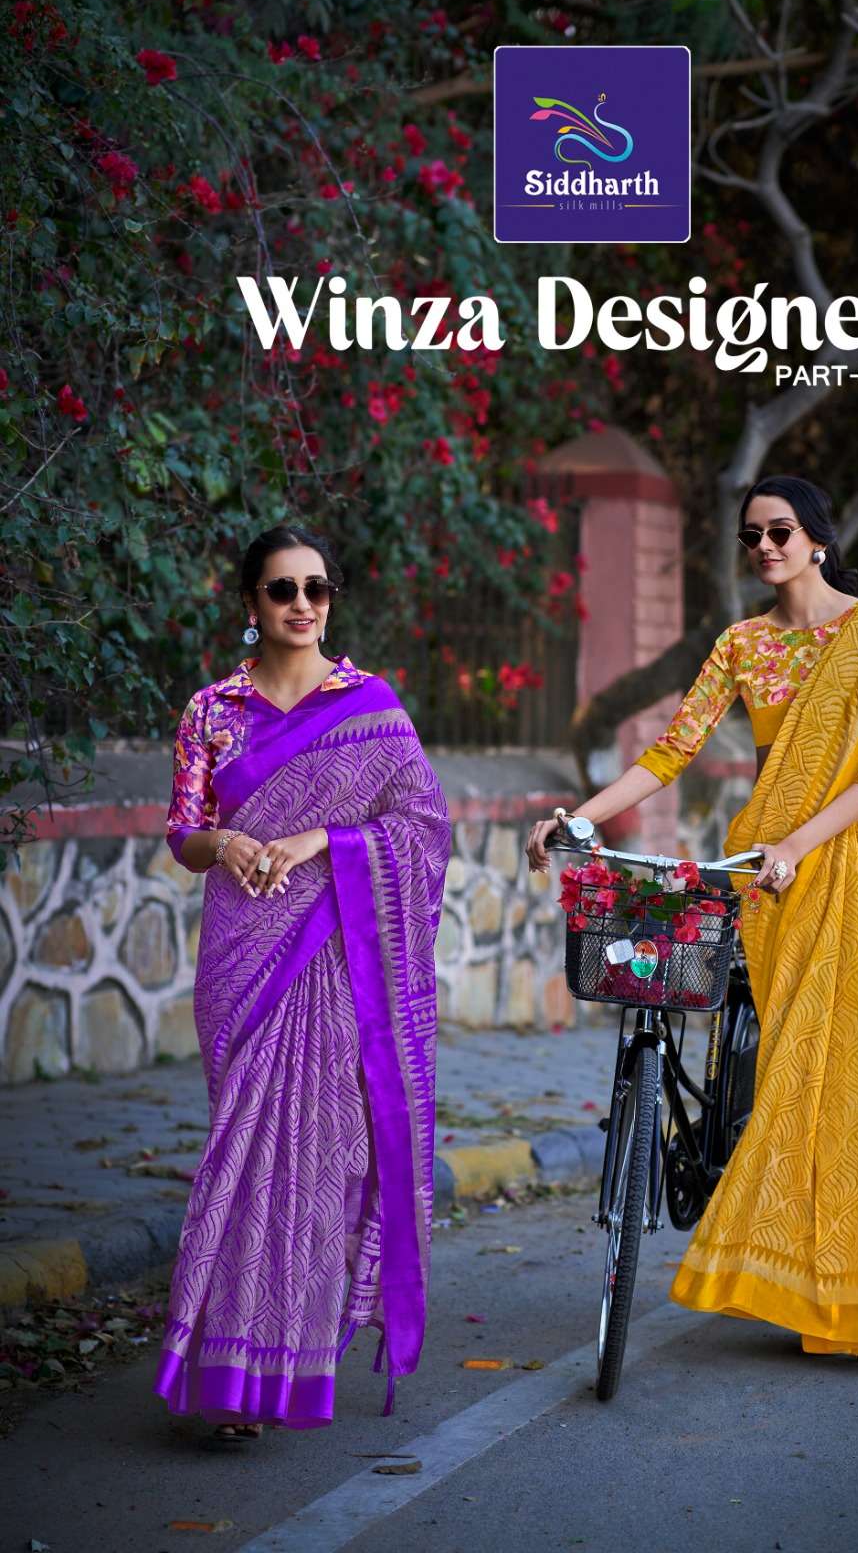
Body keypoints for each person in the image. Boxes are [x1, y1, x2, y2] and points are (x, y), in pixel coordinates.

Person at [528, 476, 858, 1378]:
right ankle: (808, 1280)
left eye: (780, 531)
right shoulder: (742, 644)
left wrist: (799, 842)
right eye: (751, 536)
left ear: (819, 538)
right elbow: (671, 749)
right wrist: (581, 816)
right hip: (769, 872)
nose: (764, 547)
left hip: (855, 863)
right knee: (796, 1073)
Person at [155, 525, 450, 1437]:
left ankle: (278, 1373)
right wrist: (227, 843)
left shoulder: (371, 708)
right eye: (282, 589)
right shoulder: (213, 710)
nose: (301, 605)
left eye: (316, 588)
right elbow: (183, 834)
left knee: (321, 1161)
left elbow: (423, 826)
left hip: (337, 956)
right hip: (244, 955)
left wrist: (324, 838)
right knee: (242, 1159)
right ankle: (226, 1371)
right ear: (251, 602)